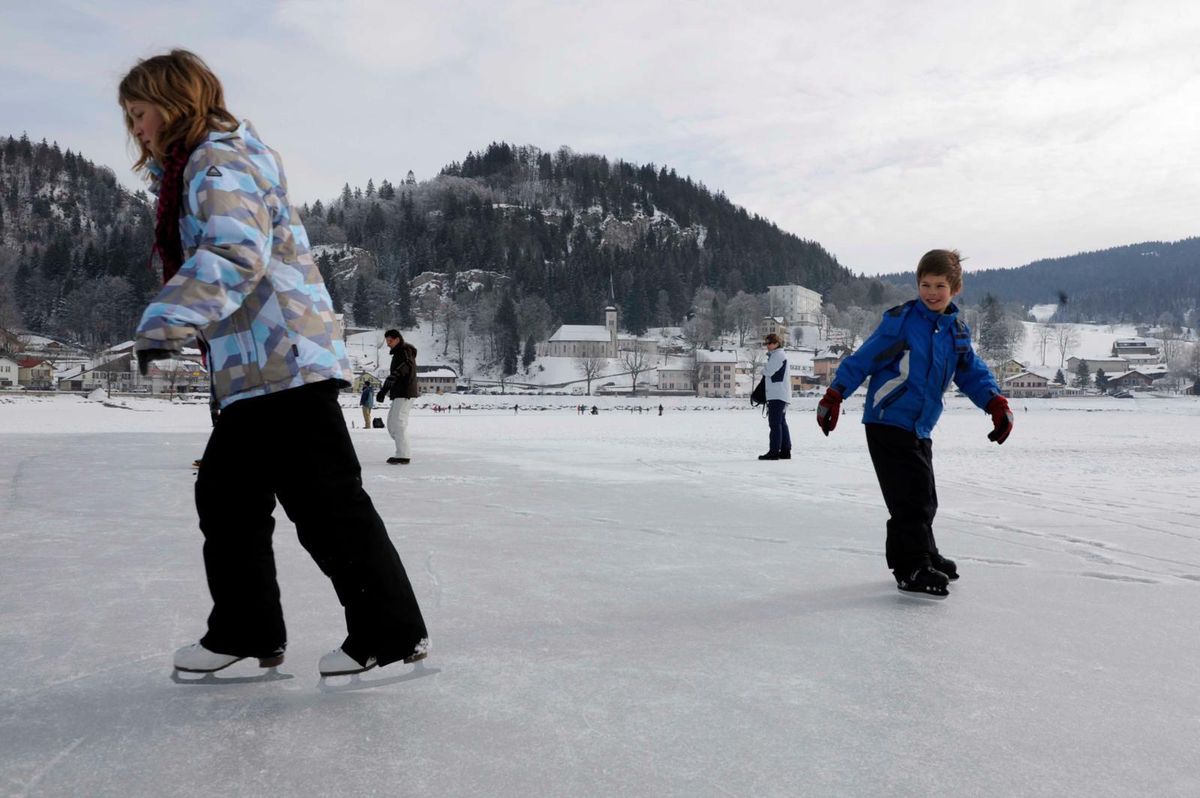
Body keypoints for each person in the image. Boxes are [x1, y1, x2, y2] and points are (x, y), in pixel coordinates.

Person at [121, 49, 428, 676]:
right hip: (257, 365)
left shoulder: (218, 160)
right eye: (128, 116)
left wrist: (168, 317)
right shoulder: (199, 167)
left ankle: (389, 635)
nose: (137, 127)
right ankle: (246, 631)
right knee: (229, 498)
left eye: (141, 111)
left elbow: (237, 253)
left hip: (282, 358)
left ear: (175, 102)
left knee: (325, 505)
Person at [816, 249, 1013, 598]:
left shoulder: (956, 332)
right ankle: (910, 567)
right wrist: (835, 395)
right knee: (910, 499)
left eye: (940, 285)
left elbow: (972, 374)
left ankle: (925, 553)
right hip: (887, 418)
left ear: (955, 288)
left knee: (925, 497)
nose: (931, 293)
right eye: (925, 284)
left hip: (920, 425)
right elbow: (864, 359)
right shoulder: (902, 322)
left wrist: (995, 403)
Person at [378, 329, 419, 464]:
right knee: (391, 424)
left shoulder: (404, 351)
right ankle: (402, 451)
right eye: (387, 341)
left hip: (405, 392)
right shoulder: (398, 353)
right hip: (399, 393)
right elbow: (394, 376)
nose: (388, 344)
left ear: (397, 339)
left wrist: (396, 374)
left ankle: (403, 455)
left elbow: (406, 365)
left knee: (398, 423)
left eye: (390, 341)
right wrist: (384, 391)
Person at [759, 333, 791, 460]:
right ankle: (785, 451)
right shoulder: (779, 355)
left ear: (777, 343)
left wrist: (763, 368)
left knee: (775, 424)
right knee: (781, 423)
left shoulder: (778, 356)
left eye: (769, 343)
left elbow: (768, 371)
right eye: (766, 343)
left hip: (777, 395)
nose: (767, 345)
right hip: (780, 394)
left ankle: (774, 451)